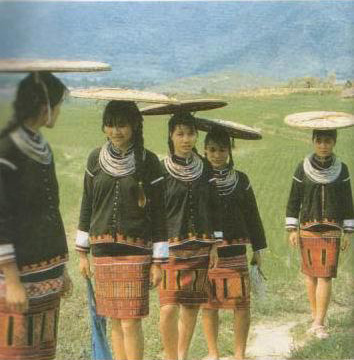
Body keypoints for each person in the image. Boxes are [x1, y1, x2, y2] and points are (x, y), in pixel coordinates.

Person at [76, 100, 168, 360]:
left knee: (130, 321)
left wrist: (158, 261)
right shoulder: (95, 159)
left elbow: (159, 214)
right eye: (110, 125)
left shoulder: (148, 161)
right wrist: (83, 254)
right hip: (103, 253)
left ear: (135, 126)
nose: (116, 131)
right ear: (104, 127)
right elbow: (87, 204)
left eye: (122, 125)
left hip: (135, 251)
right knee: (115, 319)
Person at [0, 72, 72, 360]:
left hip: (47, 273)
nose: (58, 111)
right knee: (15, 351)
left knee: (42, 352)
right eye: (56, 105)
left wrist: (61, 266)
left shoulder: (42, 147)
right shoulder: (6, 150)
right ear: (44, 107)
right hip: (18, 275)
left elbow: (50, 207)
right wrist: (12, 281)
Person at [159, 112, 221, 360]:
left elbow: (213, 206)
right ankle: (170, 356)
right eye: (180, 134)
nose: (186, 139)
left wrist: (215, 244)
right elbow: (155, 212)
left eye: (191, 133)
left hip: (200, 248)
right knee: (168, 307)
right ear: (171, 136)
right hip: (171, 248)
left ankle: (182, 355)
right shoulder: (161, 169)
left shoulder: (205, 167)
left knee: (191, 305)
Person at [201, 126, 267, 360]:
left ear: (230, 150)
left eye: (222, 149)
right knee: (208, 305)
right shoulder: (199, 179)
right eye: (212, 150)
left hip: (236, 250)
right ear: (204, 150)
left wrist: (258, 249)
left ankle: (239, 354)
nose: (217, 155)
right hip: (208, 252)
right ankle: (213, 353)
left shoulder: (241, 180)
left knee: (241, 304)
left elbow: (252, 215)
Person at [286, 129, 353, 339]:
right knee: (310, 275)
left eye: (327, 141)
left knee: (325, 276)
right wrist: (292, 229)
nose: (323, 145)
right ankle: (315, 317)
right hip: (307, 228)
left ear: (334, 142)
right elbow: (294, 200)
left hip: (332, 230)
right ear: (313, 142)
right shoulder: (302, 168)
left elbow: (347, 202)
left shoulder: (341, 170)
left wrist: (348, 232)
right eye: (319, 141)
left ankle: (319, 322)